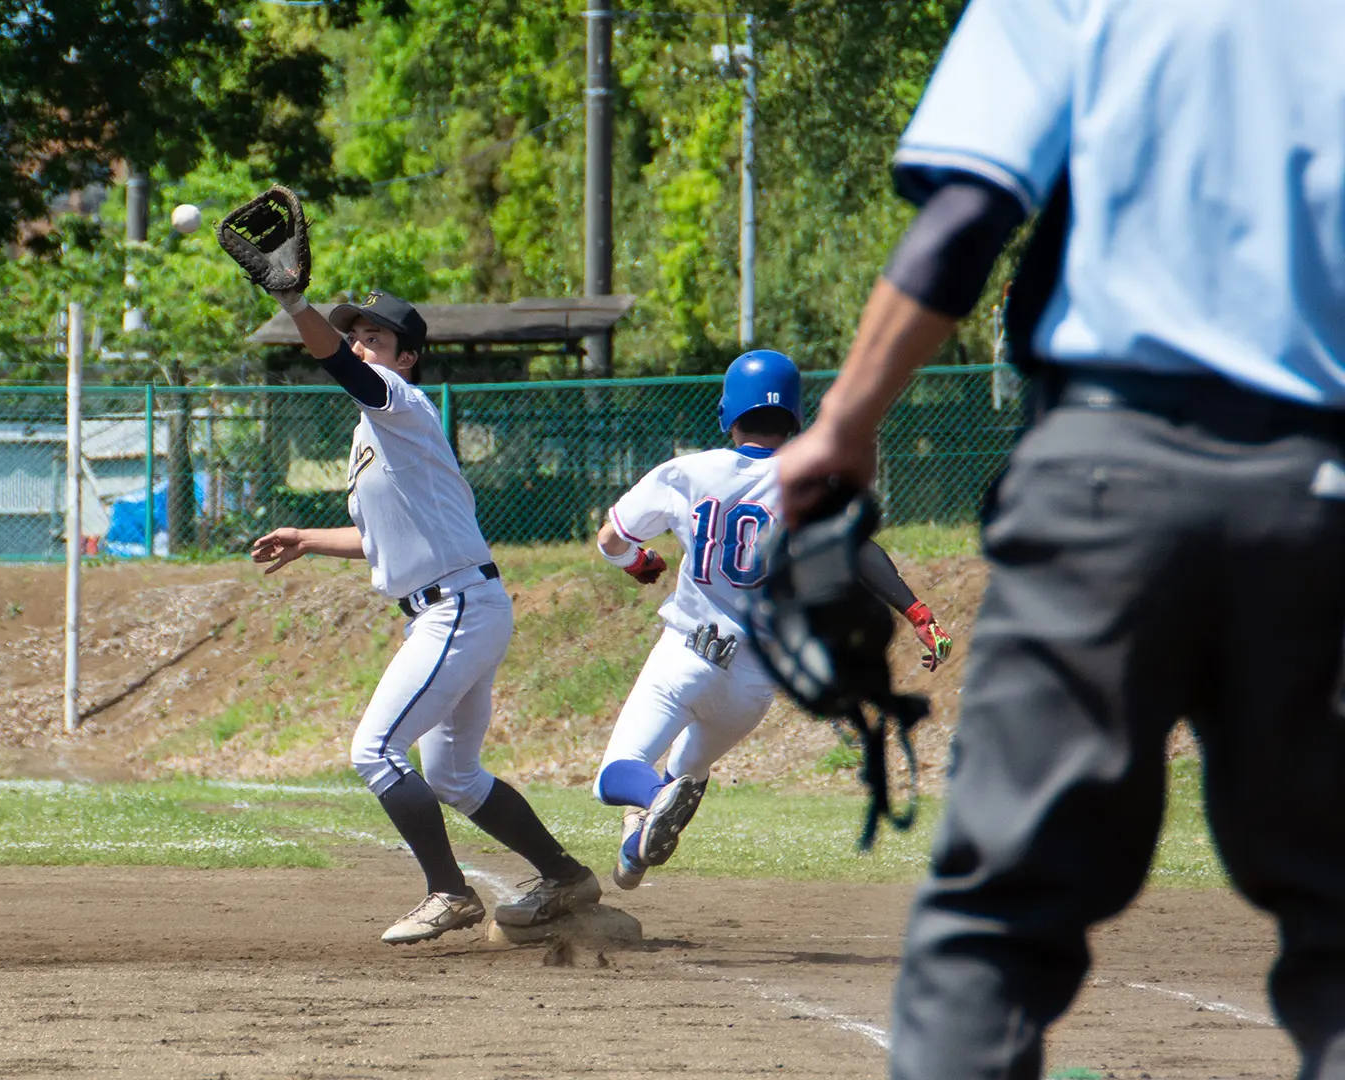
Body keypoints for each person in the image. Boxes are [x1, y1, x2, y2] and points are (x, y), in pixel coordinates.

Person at [771, 2, 1345, 1076]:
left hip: (1106, 476)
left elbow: (968, 216)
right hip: (1321, 493)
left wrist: (845, 423)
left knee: (993, 928)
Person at [249, 287, 601, 945]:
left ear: (406, 358)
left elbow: (342, 368)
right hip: (457, 605)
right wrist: (305, 537)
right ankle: (566, 877)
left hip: (456, 609)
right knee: (451, 774)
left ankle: (449, 891)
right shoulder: (377, 436)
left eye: (374, 339)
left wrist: (297, 305)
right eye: (355, 335)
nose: (360, 346)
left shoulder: (398, 400)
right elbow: (386, 536)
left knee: (375, 752)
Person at [592, 350, 950, 891]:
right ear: (795, 418)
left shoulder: (688, 471)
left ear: (726, 413)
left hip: (689, 651)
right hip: (755, 682)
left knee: (618, 770)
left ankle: (650, 803)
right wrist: (917, 612)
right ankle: (635, 848)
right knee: (688, 773)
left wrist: (636, 563)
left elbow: (611, 539)